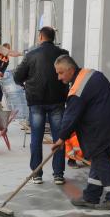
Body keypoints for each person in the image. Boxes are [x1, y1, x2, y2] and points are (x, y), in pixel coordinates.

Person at [51, 55, 110, 209]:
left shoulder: (77, 89)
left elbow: (71, 116)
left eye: (60, 73)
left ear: (70, 69)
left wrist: (61, 139)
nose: (58, 77)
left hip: (102, 127)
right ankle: (91, 195)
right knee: (99, 157)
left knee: (100, 158)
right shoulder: (89, 73)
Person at [13, 26, 69, 185]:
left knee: (36, 138)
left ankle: (37, 174)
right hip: (57, 101)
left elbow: (17, 77)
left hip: (36, 101)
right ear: (53, 37)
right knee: (58, 137)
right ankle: (58, 174)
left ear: (40, 37)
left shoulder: (31, 55)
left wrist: (27, 84)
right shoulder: (63, 54)